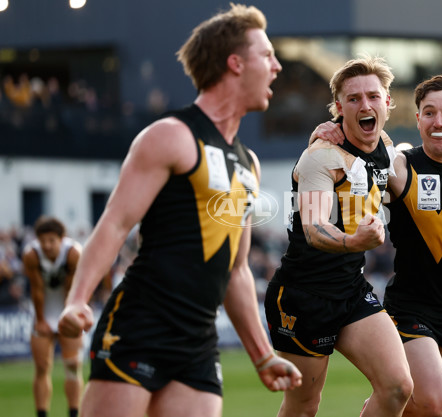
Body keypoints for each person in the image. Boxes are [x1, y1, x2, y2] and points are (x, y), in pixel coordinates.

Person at [57, 4, 301, 417]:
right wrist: (77, 299)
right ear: (235, 63)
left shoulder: (249, 163)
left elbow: (236, 271)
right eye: (267, 55)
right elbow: (116, 223)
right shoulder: (170, 136)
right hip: (140, 326)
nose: (277, 66)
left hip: (198, 344)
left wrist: (262, 355)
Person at [312, 74, 442, 416]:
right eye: (429, 112)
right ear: (418, 118)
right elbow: (349, 152)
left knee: (425, 410)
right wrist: (324, 134)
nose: (439, 122)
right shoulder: (400, 167)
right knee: (438, 402)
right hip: (410, 306)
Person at [264, 56, 413, 417]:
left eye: (373, 97)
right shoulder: (320, 157)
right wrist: (354, 242)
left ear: (388, 103)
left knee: (398, 387)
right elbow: (314, 228)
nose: (365, 105)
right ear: (338, 107)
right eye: (353, 98)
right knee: (304, 406)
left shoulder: (384, 145)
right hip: (304, 296)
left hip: (350, 289)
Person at [22, 216, 83, 417]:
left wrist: (68, 317)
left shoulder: (74, 253)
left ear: (61, 239)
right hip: (43, 313)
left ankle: (73, 413)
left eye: (52, 240)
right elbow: (36, 289)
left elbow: (73, 290)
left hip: (69, 311)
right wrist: (40, 320)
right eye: (43, 241)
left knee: (73, 366)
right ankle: (41, 413)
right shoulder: (31, 255)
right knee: (41, 367)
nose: (47, 245)